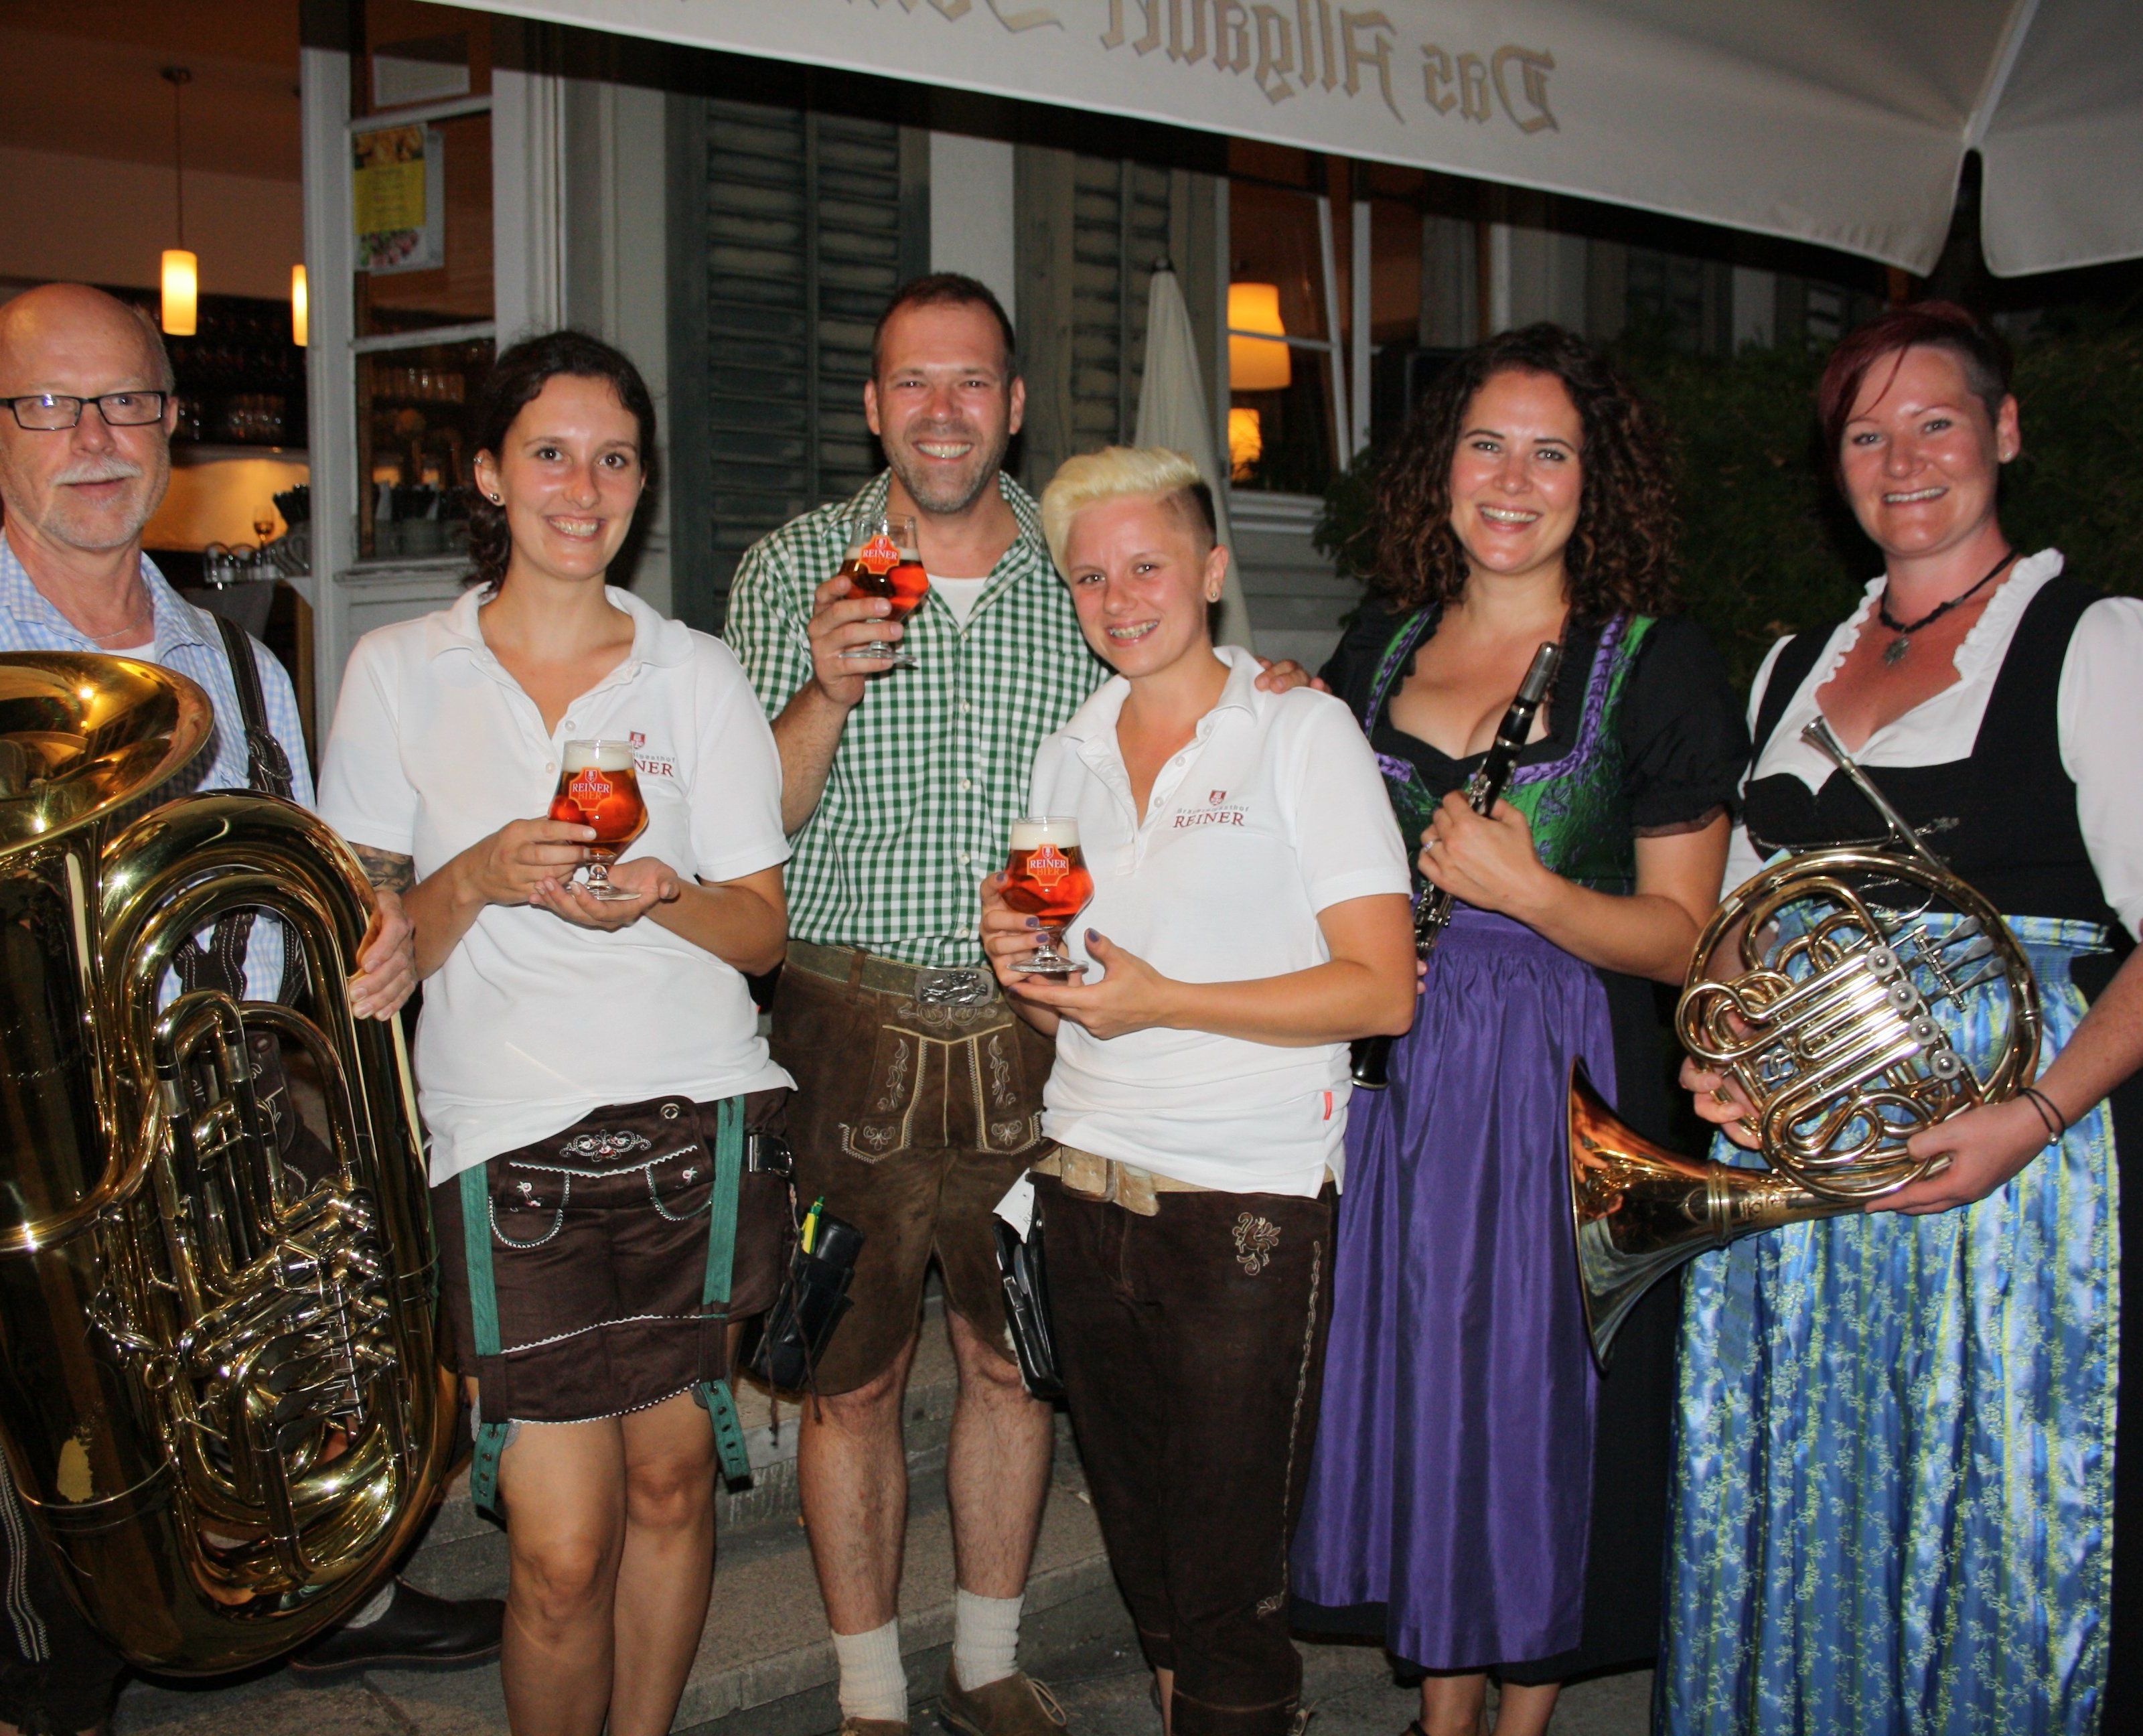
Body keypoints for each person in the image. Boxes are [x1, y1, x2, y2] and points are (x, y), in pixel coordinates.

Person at [725, 276, 1313, 1736]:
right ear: (872, 406)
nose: (942, 412)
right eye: (912, 383)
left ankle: (986, 1661)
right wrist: (821, 691)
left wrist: (1271, 689)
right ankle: (868, 1692)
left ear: (1016, 403)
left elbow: (1183, 679)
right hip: (840, 1018)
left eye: (972, 382)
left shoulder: (1081, 559)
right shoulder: (792, 561)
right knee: (847, 1376)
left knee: (1015, 1359)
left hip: (1032, 1025)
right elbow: (748, 825)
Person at [0, 283, 497, 1736]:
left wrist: (369, 943)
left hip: (214, 1112)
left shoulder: (236, 656)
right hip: (36, 1137)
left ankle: (309, 1596)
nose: (97, 437)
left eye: (130, 403)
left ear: (170, 421)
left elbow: (309, 872)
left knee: (267, 1388)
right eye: (51, 405)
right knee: (59, 1480)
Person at [1665, 301, 2143, 1735]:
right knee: (1795, 1497)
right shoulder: (1783, 669)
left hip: (2002, 1172)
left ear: (2003, 433)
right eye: (1865, 434)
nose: (1903, 457)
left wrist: (2034, 1115)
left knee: (1977, 1518)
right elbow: (1733, 941)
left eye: (1936, 420)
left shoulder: (2093, 642)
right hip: (1798, 1181)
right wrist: (1719, 1060)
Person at [318, 330, 794, 1736]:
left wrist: (663, 893)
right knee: (559, 1542)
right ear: (485, 472)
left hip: (693, 1123)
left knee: (670, 1485)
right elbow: (370, 961)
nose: (582, 488)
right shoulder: (401, 670)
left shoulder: (693, 674)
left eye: (614, 459)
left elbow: (762, 932)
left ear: (640, 486)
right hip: (505, 1143)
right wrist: (473, 873)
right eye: (548, 453)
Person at [1289, 323, 1749, 1736]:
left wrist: (1534, 891)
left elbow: (1685, 938)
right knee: (1424, 1370)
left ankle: (1520, 1718)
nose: (1512, 477)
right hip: (1398, 1073)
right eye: (1486, 442)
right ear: (1441, 469)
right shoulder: (1377, 646)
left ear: (1593, 486)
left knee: (1534, 1397)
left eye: (1551, 452)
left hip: (1563, 1081)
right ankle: (1441, 1709)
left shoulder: (1656, 664)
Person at [979, 445, 1414, 1736]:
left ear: (1212, 571)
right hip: (1080, 1186)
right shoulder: (1065, 754)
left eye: (1149, 564)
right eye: (1092, 575)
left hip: (1244, 1205)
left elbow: (1382, 991)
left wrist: (1166, 999)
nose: (1121, 597)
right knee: (1151, 1577)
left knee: (1228, 1596)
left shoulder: (1298, 728)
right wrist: (1020, 964)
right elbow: (1065, 979)